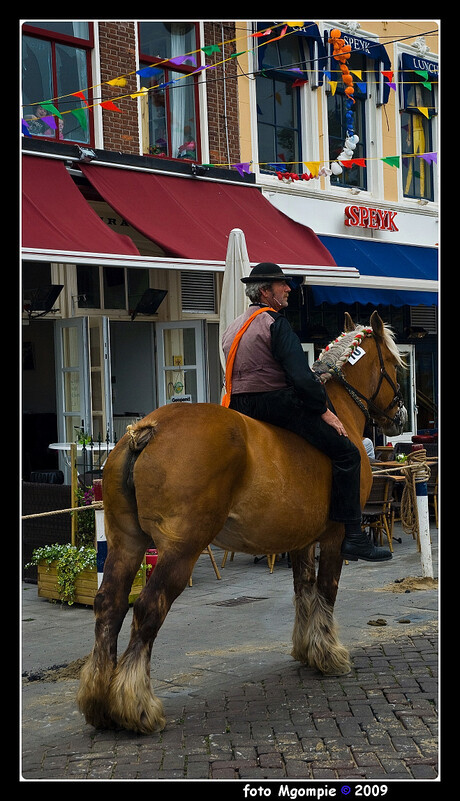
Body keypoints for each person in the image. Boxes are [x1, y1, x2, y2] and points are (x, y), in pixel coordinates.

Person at [222, 262, 392, 563]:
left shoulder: (234, 327)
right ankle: (353, 537)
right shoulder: (275, 323)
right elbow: (301, 378)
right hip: (274, 403)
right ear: (265, 292)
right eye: (281, 285)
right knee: (348, 453)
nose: (288, 289)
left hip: (238, 405)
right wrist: (324, 410)